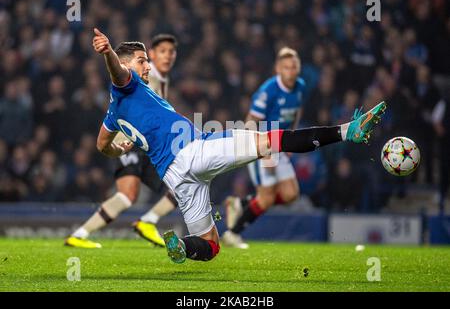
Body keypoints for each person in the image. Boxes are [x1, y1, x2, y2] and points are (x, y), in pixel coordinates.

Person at [90, 28, 385, 264]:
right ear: (126, 63)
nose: (148, 65)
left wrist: (121, 147)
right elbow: (118, 74)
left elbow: (102, 145)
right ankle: (349, 131)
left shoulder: (114, 113)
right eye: (142, 60)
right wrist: (108, 54)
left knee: (211, 246)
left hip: (175, 176)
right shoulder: (126, 83)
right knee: (275, 139)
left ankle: (180, 245)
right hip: (196, 151)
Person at [65, 34, 179, 248]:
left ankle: (82, 234)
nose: (168, 56)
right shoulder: (142, 73)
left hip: (146, 145)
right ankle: (83, 234)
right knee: (131, 194)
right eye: (162, 51)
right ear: (151, 55)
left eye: (172, 52)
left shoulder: (161, 79)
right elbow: (119, 74)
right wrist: (108, 52)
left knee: (176, 185)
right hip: (130, 143)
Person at [222, 47, 305, 249]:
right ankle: (232, 234)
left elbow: (296, 112)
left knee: (290, 194)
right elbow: (251, 121)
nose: (291, 71)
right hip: (263, 144)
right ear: (278, 69)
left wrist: (291, 138)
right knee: (267, 198)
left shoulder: (300, 86)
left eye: (294, 66)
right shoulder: (268, 91)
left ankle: (241, 205)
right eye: (286, 67)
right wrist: (262, 153)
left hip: (281, 143)